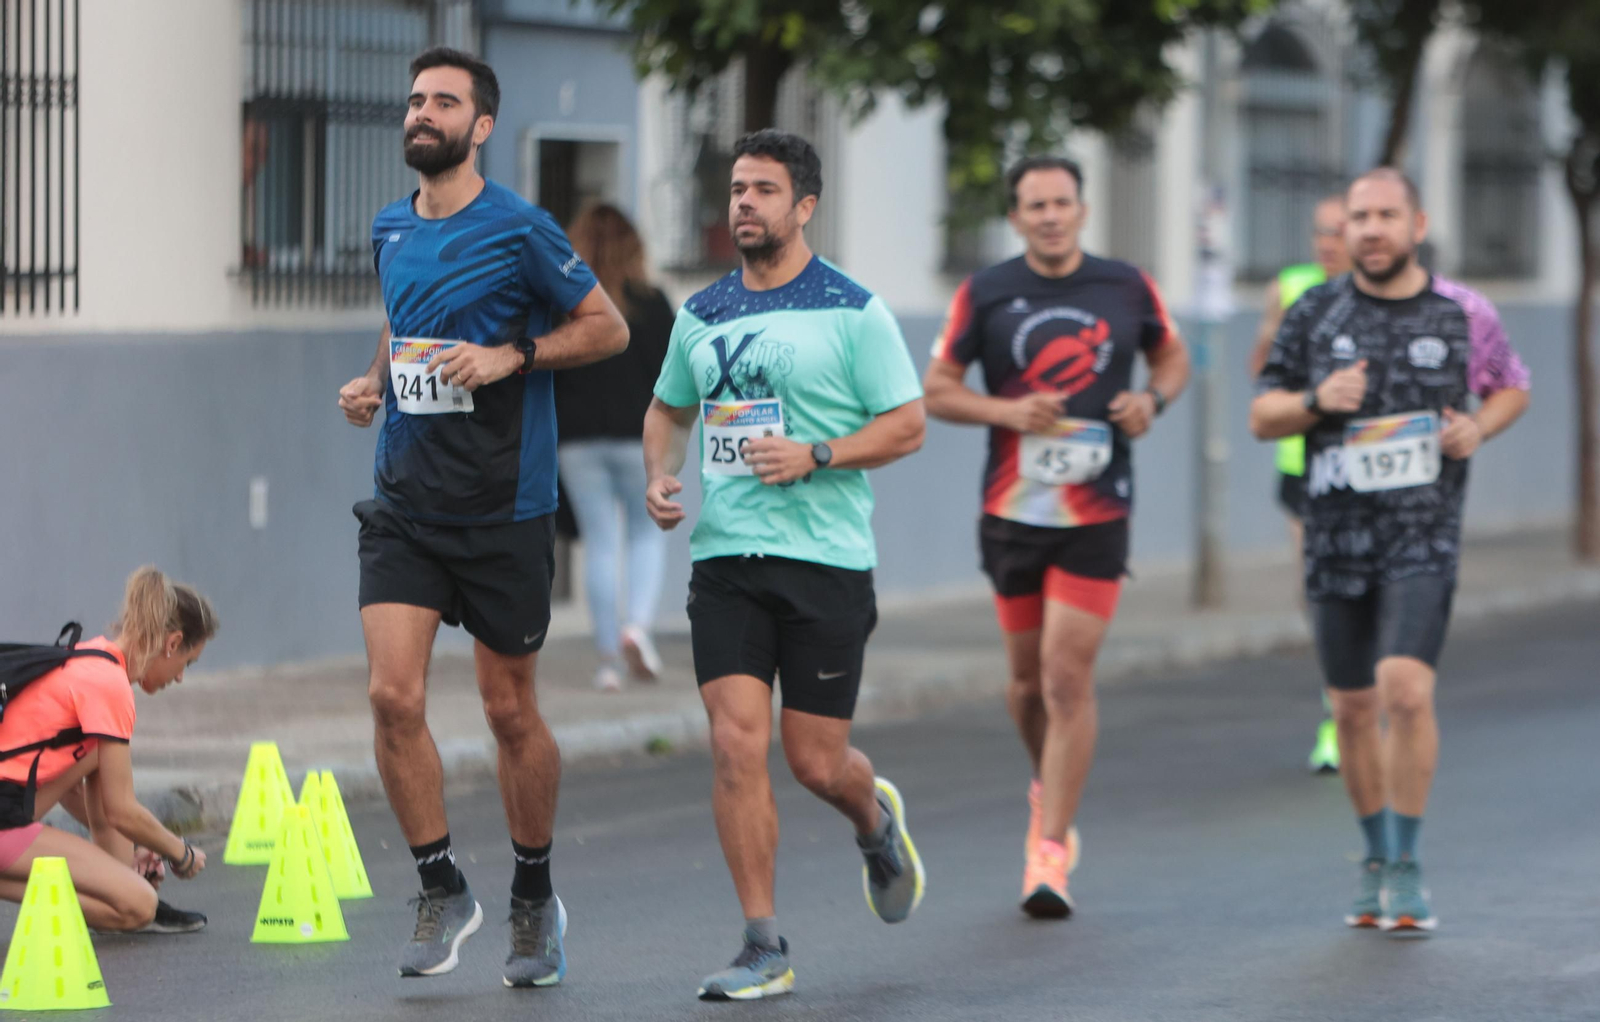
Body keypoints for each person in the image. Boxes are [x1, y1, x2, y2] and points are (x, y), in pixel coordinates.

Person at [335, 47, 628, 985]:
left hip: (503, 507)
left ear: (482, 125)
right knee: (392, 697)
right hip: (405, 502)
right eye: (416, 99)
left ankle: (534, 897)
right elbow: (402, 316)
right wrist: (375, 381)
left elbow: (608, 327)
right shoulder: (390, 226)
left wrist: (514, 357)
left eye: (444, 102)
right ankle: (441, 884)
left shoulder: (522, 229)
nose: (422, 113)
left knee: (508, 710)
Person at [643, 129, 927, 1001]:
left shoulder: (853, 309)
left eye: (763, 190)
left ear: (804, 206)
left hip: (825, 561)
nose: (744, 203)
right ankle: (763, 945)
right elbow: (669, 410)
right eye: (737, 188)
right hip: (727, 560)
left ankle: (874, 819)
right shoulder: (702, 313)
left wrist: (818, 453)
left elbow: (907, 425)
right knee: (736, 744)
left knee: (814, 762)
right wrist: (659, 473)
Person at [1250, 167, 1530, 935]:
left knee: (1405, 690)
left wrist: (1479, 426)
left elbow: (1511, 385)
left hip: (1423, 532)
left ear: (1417, 225)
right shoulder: (1314, 310)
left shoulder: (1462, 311)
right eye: (1359, 217)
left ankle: (1407, 861)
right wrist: (1316, 401)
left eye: (1385, 216)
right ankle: (1374, 855)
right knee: (1351, 707)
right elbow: (1263, 415)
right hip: (1335, 536)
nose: (1371, 230)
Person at [922, 156, 1190, 920]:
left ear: (1082, 209)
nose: (1049, 216)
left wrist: (1152, 399)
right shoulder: (986, 291)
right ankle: (1052, 784)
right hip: (1013, 511)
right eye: (1034, 205)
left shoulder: (1126, 285)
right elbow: (937, 390)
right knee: (1026, 686)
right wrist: (1007, 412)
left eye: (1061, 203)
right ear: (1015, 217)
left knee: (1067, 677)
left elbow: (1171, 357)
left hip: (1098, 510)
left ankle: (1048, 850)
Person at [0, 567, 216, 934]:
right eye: (187, 663)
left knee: (98, 753)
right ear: (173, 643)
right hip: (6, 817)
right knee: (139, 905)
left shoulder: (90, 655)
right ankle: (125, 892)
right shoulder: (111, 685)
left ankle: (120, 875)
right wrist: (180, 852)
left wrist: (134, 850)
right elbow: (121, 810)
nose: (180, 677)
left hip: (13, 804)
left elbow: (67, 787)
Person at [1249, 194, 1353, 774]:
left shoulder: (1385, 293)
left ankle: (1364, 703)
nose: (1327, 244)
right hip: (1302, 464)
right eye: (1320, 233)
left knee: (1370, 594)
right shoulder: (1291, 288)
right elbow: (1261, 375)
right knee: (1319, 593)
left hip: (1367, 465)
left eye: (1338, 231)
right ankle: (1338, 715)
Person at [554, 203, 675, 692]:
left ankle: (608, 662)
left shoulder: (566, 305)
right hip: (638, 438)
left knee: (600, 544)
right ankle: (636, 628)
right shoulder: (652, 301)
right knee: (647, 534)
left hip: (576, 441)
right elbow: (670, 375)